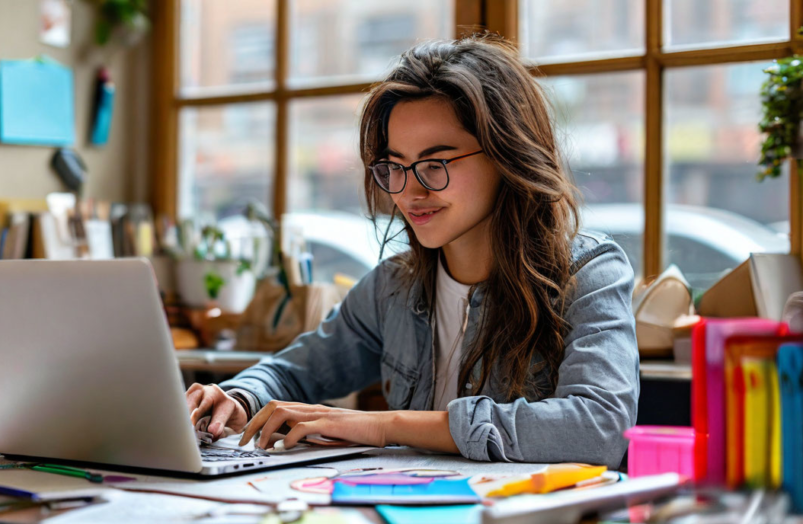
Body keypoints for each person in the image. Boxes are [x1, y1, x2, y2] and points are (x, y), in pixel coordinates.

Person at [184, 35, 639, 469]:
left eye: (436, 163)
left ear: (508, 154)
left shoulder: (589, 272)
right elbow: (291, 373)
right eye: (394, 166)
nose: (411, 190)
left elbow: (598, 429)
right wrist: (240, 398)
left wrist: (385, 426)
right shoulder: (392, 287)